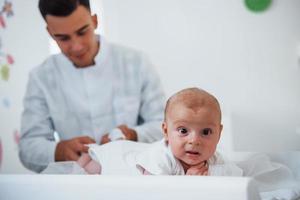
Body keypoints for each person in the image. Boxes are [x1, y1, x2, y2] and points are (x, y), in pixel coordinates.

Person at [19, 0, 165, 173]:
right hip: (75, 186)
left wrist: (133, 135)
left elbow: (165, 127)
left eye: (82, 32)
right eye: (63, 38)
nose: (77, 46)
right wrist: (59, 150)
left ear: (94, 21)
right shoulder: (40, 78)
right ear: (50, 33)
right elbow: (28, 148)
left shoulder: (137, 63)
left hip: (133, 177)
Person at [75, 88, 242, 176]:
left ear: (219, 133)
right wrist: (188, 183)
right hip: (117, 160)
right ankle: (86, 157)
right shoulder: (162, 158)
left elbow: (234, 175)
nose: (194, 140)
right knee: (87, 171)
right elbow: (156, 191)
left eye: (205, 132)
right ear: (166, 131)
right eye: (183, 131)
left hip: (135, 152)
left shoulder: (214, 158)